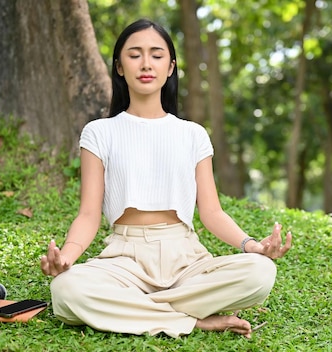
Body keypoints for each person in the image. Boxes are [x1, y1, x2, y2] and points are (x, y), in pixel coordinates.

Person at [40, 18, 292, 339]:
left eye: (156, 55)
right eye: (135, 55)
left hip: (186, 258)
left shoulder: (192, 135)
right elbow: (88, 214)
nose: (146, 63)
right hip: (125, 257)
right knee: (66, 290)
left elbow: (212, 212)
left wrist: (252, 245)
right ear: (119, 67)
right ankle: (193, 319)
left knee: (261, 272)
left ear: (171, 67)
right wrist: (67, 257)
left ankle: (141, 310)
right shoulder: (99, 133)